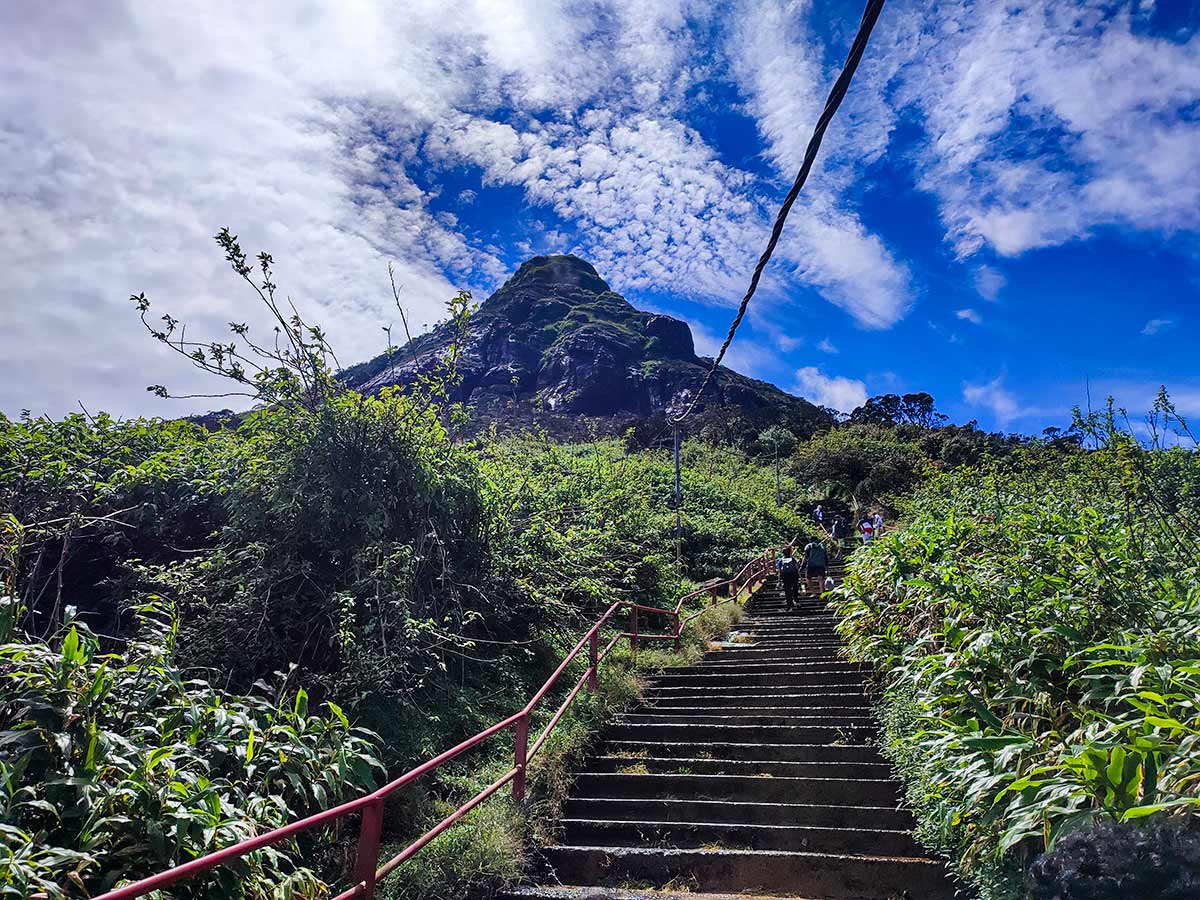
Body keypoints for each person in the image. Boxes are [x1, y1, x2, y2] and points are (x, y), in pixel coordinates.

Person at [776, 544, 801, 609]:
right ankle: (796, 600)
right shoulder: (792, 559)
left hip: (785, 575)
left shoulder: (781, 560)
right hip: (794, 575)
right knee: (795, 587)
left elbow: (779, 571)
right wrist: (800, 577)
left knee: (787, 589)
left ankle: (789, 603)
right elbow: (797, 568)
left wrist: (779, 580)